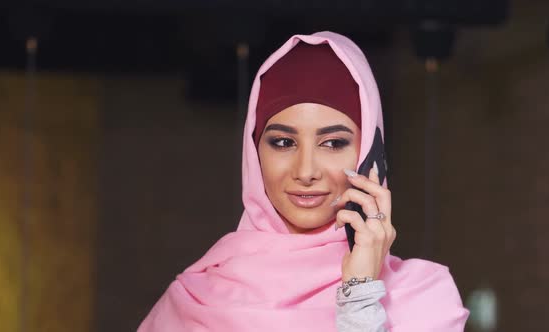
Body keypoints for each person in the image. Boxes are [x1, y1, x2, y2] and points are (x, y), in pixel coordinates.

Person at [138, 31, 469, 332]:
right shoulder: (192, 302)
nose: (306, 171)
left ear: (370, 154)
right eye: (283, 142)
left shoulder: (423, 300)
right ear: (254, 155)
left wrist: (360, 298)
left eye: (333, 143)